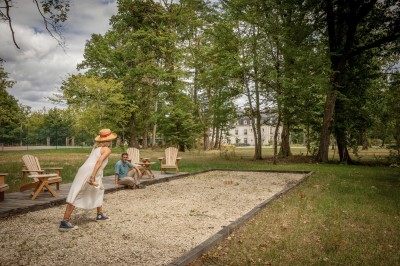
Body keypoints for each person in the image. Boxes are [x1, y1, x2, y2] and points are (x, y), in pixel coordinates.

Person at [59, 128, 117, 232]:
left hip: (86, 170)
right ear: (109, 140)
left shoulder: (96, 148)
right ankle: (64, 222)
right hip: (91, 171)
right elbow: (99, 162)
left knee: (99, 190)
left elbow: (89, 161)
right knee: (78, 193)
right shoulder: (107, 150)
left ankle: (100, 214)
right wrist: (92, 176)